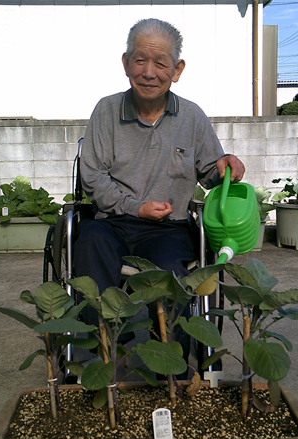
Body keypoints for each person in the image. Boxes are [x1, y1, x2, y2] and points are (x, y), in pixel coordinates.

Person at [74, 18, 245, 347]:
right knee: (89, 245)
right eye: (140, 60)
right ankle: (108, 347)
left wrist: (227, 167)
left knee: (171, 272)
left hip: (168, 228)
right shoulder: (106, 111)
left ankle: (173, 365)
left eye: (160, 63)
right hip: (111, 223)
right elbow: (93, 178)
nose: (149, 72)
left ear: (177, 70)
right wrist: (135, 208)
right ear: (126, 64)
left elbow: (212, 172)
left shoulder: (192, 117)